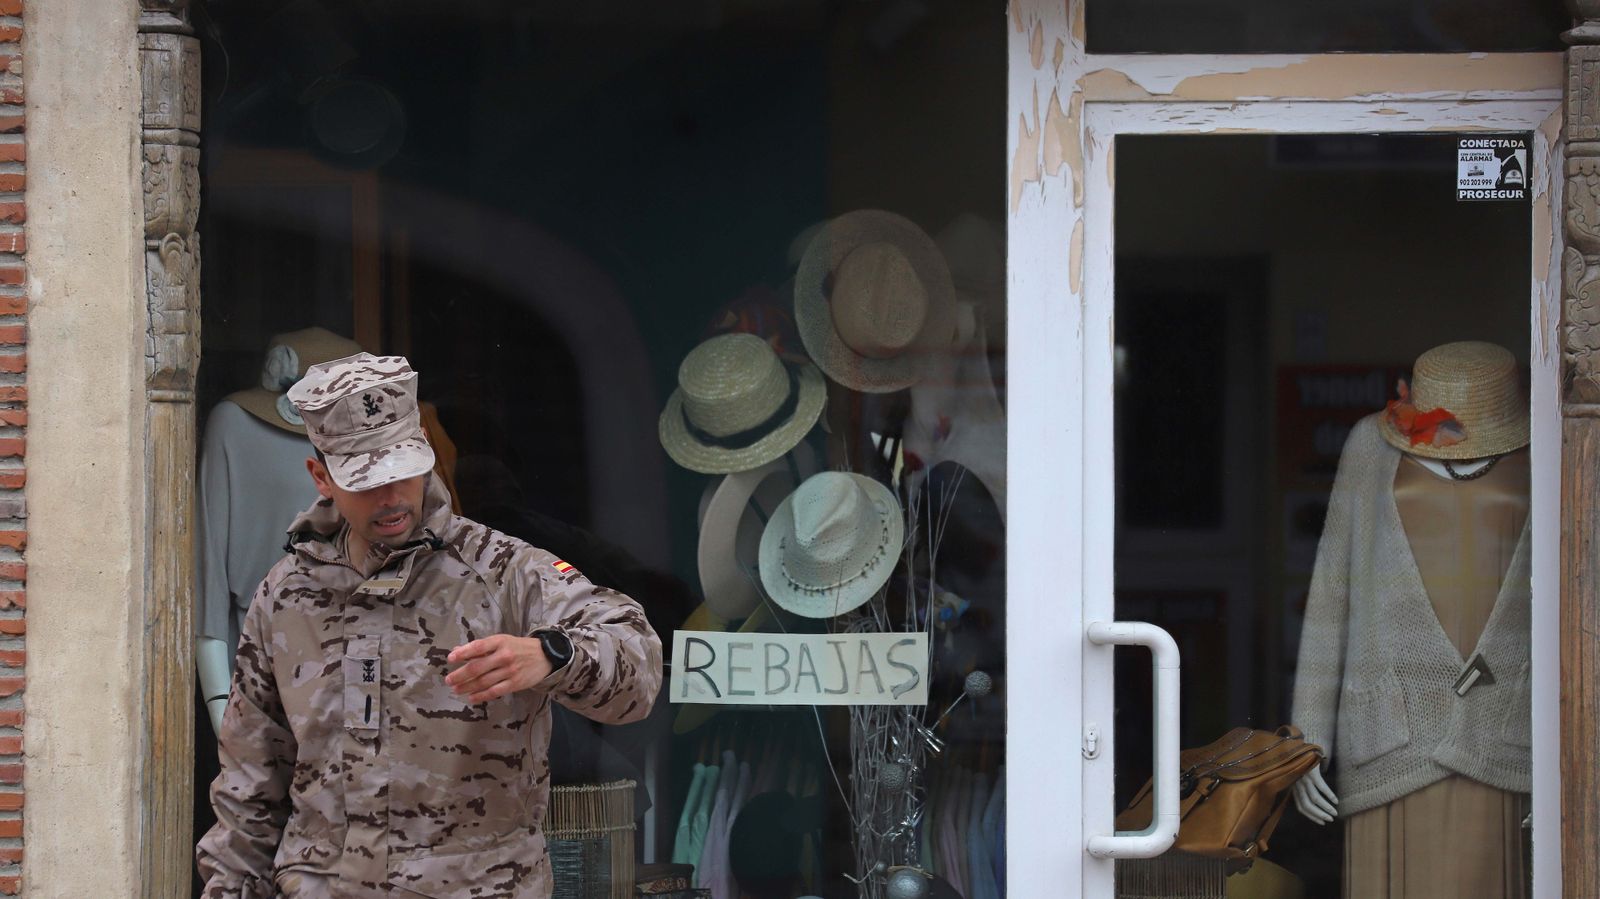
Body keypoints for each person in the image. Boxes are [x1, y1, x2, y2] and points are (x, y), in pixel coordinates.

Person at [195, 353, 663, 897]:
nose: (391, 496)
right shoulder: (286, 594)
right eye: (366, 479)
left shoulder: (501, 570)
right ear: (320, 476)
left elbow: (638, 666)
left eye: (403, 470)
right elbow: (250, 784)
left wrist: (553, 656)